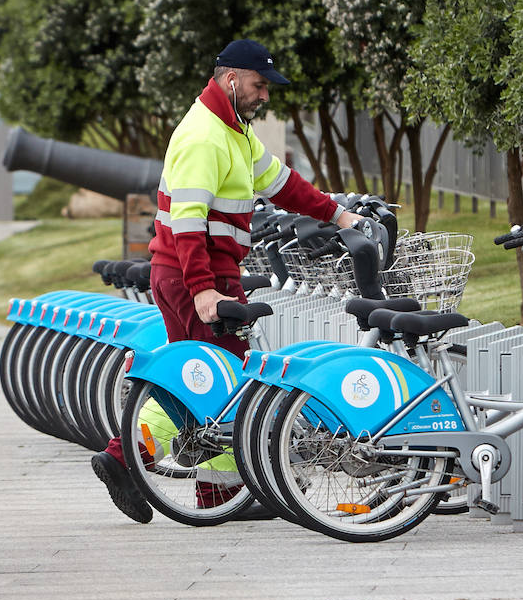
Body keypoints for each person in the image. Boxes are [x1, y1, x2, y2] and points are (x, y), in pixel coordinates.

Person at [91, 39, 364, 523]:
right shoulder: (204, 136)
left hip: (192, 274)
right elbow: (187, 221)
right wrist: (203, 291)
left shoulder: (232, 130)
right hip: (197, 275)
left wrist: (337, 214)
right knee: (227, 380)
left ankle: (129, 459)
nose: (265, 96)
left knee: (193, 380)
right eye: (260, 86)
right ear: (232, 79)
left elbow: (281, 183)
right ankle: (197, 488)